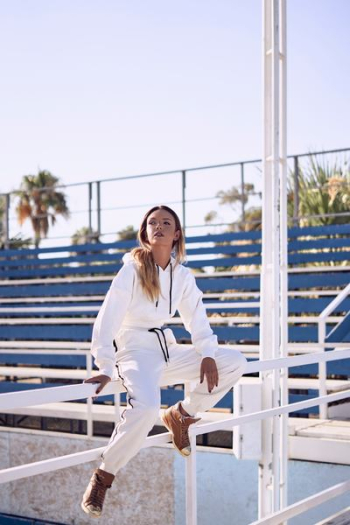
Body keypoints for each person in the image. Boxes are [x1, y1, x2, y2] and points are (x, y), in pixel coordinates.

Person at [81, 205, 247, 517]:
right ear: (144, 232)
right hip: (134, 352)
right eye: (152, 222)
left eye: (166, 222)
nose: (158, 226)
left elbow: (197, 318)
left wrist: (208, 354)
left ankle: (182, 414)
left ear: (176, 234)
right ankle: (104, 475)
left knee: (235, 361)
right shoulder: (131, 269)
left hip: (165, 349)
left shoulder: (182, 276)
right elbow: (108, 318)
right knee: (144, 408)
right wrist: (105, 366)